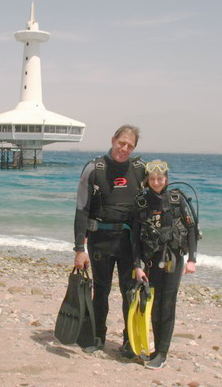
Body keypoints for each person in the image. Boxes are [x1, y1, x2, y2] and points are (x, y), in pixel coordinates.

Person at [73, 124, 145, 354]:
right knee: (101, 291)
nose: (124, 149)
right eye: (121, 143)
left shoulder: (140, 169)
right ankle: (97, 336)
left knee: (129, 291)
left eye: (130, 146)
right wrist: (79, 248)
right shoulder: (94, 168)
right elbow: (81, 209)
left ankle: (129, 341)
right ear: (113, 139)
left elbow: (153, 205)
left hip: (128, 243)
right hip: (100, 241)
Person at [132, 159, 199, 370]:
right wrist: (137, 265)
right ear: (147, 180)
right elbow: (134, 237)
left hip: (172, 259)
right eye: (152, 178)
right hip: (151, 261)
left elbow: (192, 231)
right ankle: (157, 349)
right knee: (154, 305)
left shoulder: (177, 199)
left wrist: (192, 260)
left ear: (166, 179)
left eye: (160, 178)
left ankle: (163, 352)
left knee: (167, 304)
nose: (156, 182)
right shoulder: (141, 202)